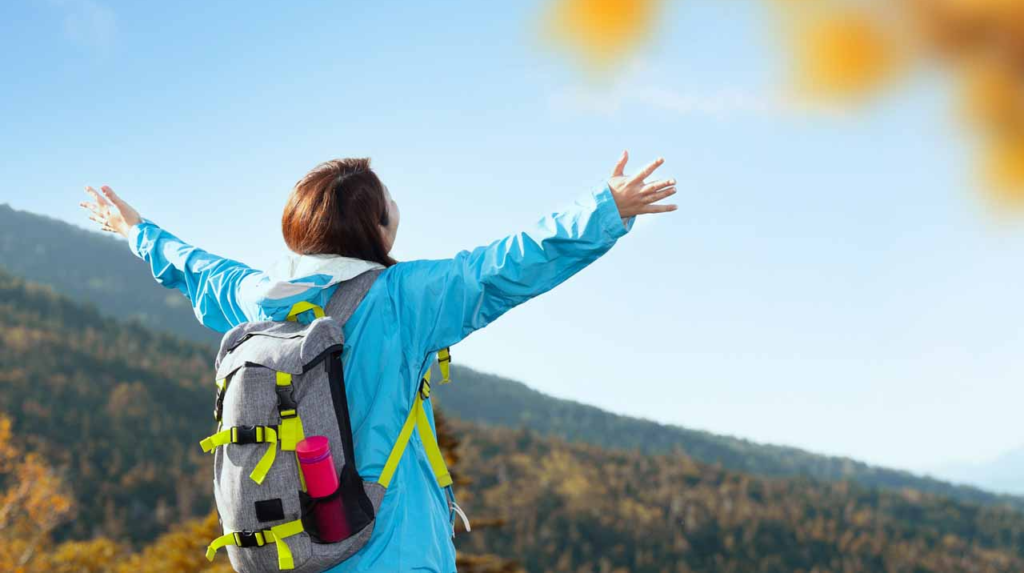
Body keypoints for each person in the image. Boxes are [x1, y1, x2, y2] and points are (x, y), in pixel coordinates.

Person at [79, 151, 677, 572]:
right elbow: (503, 267)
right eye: (391, 204)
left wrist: (134, 229)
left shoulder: (257, 297)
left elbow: (194, 267)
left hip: (297, 549)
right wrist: (605, 208)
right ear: (377, 227)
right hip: (391, 549)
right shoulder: (402, 299)